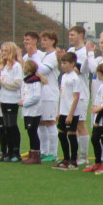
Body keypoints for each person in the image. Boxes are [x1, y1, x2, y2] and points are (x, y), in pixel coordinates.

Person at [0, 42, 23, 162]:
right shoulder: (4, 67)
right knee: (6, 127)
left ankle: (15, 152)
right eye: (2, 50)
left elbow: (17, 84)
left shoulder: (16, 66)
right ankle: (8, 153)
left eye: (6, 50)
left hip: (12, 100)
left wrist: (2, 83)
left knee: (12, 126)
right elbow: (3, 85)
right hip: (4, 99)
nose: (3, 53)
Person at [36, 31, 62, 162]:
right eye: (42, 39)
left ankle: (54, 153)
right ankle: (44, 151)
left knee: (50, 122)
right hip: (41, 93)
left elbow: (42, 70)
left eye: (46, 40)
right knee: (41, 123)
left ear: (53, 41)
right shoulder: (43, 56)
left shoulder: (53, 56)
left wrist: (31, 67)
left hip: (50, 93)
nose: (43, 42)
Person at [55, 52, 85, 170]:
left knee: (71, 135)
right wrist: (59, 111)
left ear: (72, 64)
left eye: (65, 63)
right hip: (63, 111)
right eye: (62, 63)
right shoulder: (64, 76)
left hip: (71, 112)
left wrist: (70, 114)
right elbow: (63, 95)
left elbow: (76, 97)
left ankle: (73, 160)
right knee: (61, 134)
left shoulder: (74, 78)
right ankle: (65, 159)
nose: (63, 65)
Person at [67, 25, 91, 165]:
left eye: (72, 35)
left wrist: (68, 64)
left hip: (80, 93)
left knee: (80, 123)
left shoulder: (84, 52)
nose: (70, 37)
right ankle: (74, 154)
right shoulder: (71, 51)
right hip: (69, 94)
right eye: (69, 35)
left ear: (81, 35)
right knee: (72, 126)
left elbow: (78, 70)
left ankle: (84, 156)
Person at [20, 59, 43, 164]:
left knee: (33, 132)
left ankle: (36, 156)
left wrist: (24, 103)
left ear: (28, 69)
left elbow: (36, 96)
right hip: (28, 111)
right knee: (30, 132)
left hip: (33, 111)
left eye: (24, 67)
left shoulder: (35, 81)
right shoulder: (27, 79)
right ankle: (32, 153)